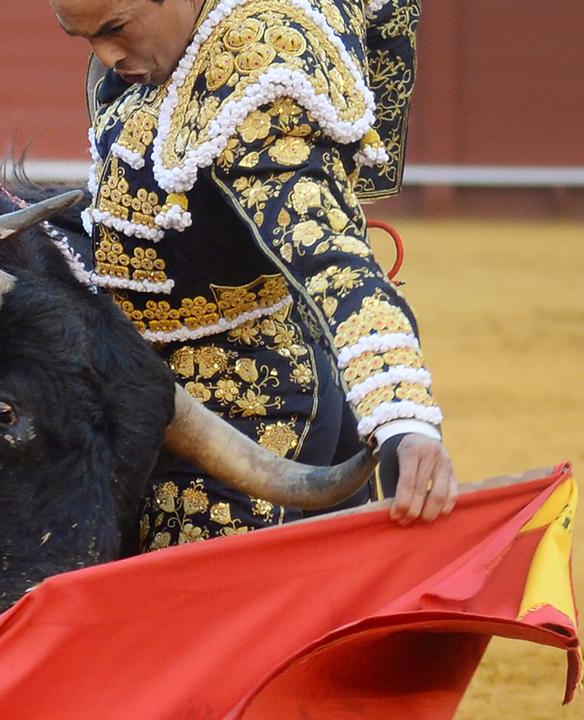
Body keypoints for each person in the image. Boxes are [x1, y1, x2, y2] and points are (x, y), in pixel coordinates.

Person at [49, 0, 457, 547]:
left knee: (199, 623)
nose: (104, 55)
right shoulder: (165, 50)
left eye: (115, 29)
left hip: (252, 421)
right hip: (179, 407)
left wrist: (403, 419)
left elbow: (336, 265)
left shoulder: (258, 74)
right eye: (86, 38)